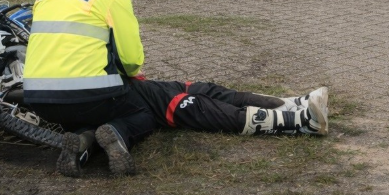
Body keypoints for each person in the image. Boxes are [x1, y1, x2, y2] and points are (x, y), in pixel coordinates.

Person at [24, 0, 154, 177]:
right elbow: (131, 59)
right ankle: (118, 133)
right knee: (142, 112)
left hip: (39, 99)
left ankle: (82, 140)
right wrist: (132, 73)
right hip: (88, 95)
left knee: (85, 118)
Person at [131, 81, 329, 136]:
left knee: (204, 89)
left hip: (128, 86)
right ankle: (301, 123)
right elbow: (131, 59)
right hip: (123, 95)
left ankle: (292, 104)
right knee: (192, 106)